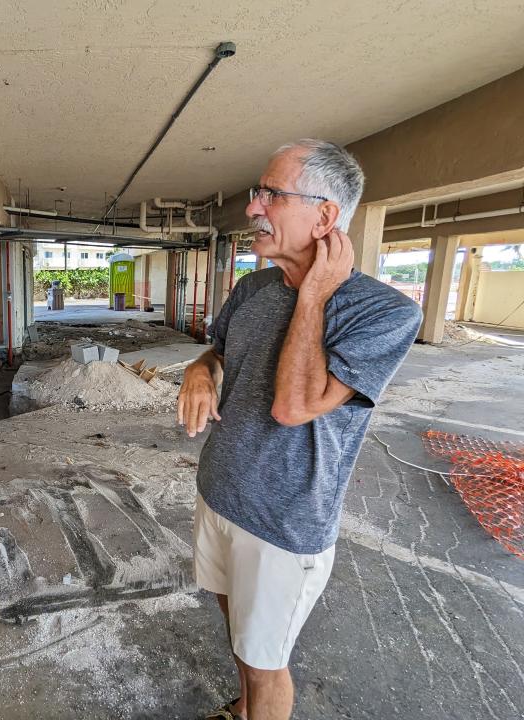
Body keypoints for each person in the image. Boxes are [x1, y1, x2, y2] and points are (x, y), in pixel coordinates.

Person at [178, 139, 422, 720]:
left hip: (282, 524)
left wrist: (313, 293)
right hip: (220, 495)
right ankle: (240, 710)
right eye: (258, 193)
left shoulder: (383, 312)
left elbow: (294, 406)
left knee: (268, 667)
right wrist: (199, 371)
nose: (253, 209)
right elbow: (220, 352)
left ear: (325, 218)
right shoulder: (252, 289)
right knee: (242, 639)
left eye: (271, 195)